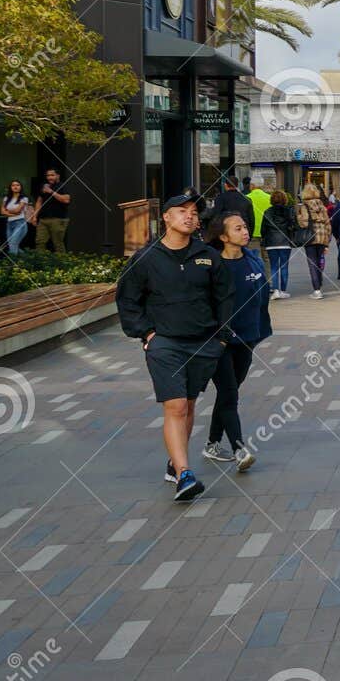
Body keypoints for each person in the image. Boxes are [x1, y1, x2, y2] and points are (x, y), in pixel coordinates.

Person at [114, 192, 235, 502]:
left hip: (204, 342)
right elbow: (128, 300)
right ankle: (184, 473)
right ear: (165, 217)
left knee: (189, 404)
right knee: (176, 405)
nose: (190, 216)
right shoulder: (145, 258)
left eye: (194, 212)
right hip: (165, 344)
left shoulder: (208, 255)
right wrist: (146, 333)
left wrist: (221, 337)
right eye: (181, 211)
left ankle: (174, 460)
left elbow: (224, 298)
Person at [202, 211, 272, 473]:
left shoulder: (252, 259)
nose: (245, 232)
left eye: (245, 227)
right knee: (229, 392)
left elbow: (262, 296)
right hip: (219, 340)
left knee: (228, 393)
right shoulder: (213, 265)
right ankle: (239, 448)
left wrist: (259, 330)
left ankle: (211, 443)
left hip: (248, 336)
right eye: (238, 228)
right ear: (223, 236)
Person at [295, 183, 333, 299]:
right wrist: (327, 242)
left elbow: (304, 223)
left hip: (310, 237)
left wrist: (299, 217)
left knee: (312, 263)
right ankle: (319, 284)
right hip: (322, 237)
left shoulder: (304, 206)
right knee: (319, 262)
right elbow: (328, 224)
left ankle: (317, 290)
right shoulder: (322, 205)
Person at [260, 190, 297, 299]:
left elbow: (263, 229)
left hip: (271, 242)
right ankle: (283, 290)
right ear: (284, 199)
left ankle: (275, 290)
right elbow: (294, 225)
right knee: (284, 266)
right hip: (285, 242)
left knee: (274, 267)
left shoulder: (267, 212)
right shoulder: (289, 211)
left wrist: (265, 237)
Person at [32, 168, 71, 252]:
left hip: (58, 219)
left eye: (52, 175)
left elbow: (66, 199)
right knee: (40, 242)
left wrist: (51, 192)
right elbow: (39, 202)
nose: (49, 177)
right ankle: (41, 262)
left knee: (58, 243)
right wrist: (34, 216)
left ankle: (61, 263)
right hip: (43, 219)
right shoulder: (44, 186)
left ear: (58, 176)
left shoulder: (63, 185)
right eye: (48, 175)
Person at [1, 180, 30, 255]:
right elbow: (2, 212)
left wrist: (7, 211)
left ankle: (13, 263)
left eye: (17, 185)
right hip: (9, 224)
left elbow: (18, 210)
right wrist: (12, 214)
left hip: (20, 223)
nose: (15, 187)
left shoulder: (24, 198)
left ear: (21, 187)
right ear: (10, 187)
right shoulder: (6, 198)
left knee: (13, 244)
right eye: (13, 185)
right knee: (12, 244)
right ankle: (26, 258)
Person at [246, 177, 272, 249]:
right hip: (267, 232)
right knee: (267, 258)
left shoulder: (246, 198)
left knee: (254, 257)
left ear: (252, 185)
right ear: (262, 186)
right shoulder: (270, 198)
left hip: (252, 232)